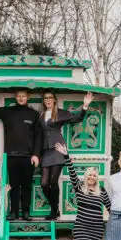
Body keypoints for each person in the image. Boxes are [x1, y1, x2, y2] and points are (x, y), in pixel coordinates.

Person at [57, 143, 110, 240]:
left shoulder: (102, 191)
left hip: (97, 228)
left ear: (97, 177)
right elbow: (72, 172)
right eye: (89, 175)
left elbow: (110, 207)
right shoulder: (80, 187)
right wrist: (66, 156)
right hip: (82, 227)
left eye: (94, 175)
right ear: (86, 176)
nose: (92, 177)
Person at [0, 87, 41, 220]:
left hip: (28, 156)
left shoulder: (34, 114)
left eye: (23, 96)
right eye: (19, 95)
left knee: (27, 186)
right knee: (14, 185)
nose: (21, 98)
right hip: (11, 155)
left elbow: (38, 136)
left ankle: (26, 212)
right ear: (15, 97)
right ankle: (14, 212)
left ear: (28, 97)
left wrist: (36, 154)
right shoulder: (8, 111)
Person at [38, 91, 92, 220]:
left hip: (58, 149)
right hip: (45, 151)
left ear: (55, 100)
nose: (48, 100)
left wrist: (85, 106)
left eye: (50, 97)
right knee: (44, 183)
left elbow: (77, 118)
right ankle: (55, 207)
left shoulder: (61, 113)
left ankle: (53, 211)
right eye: (45, 98)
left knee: (53, 181)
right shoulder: (41, 115)